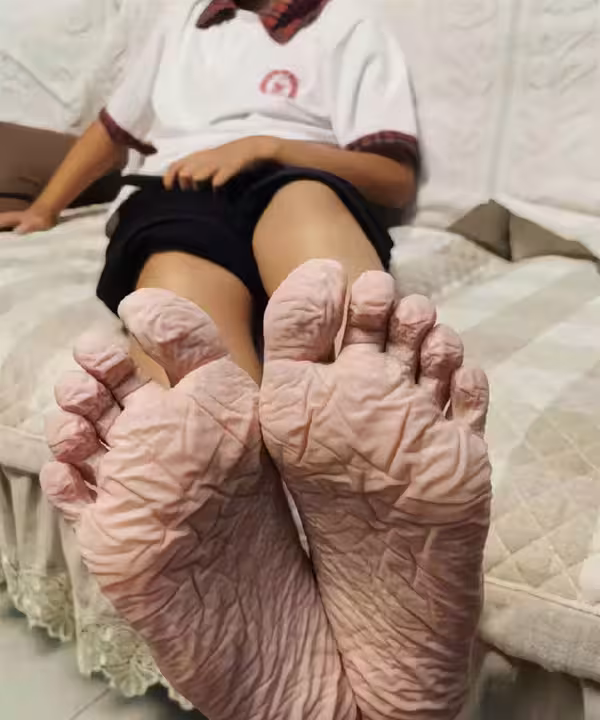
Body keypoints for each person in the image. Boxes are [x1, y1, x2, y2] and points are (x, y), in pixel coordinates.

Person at [4, 1, 493, 717]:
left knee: (320, 274)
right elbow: (111, 131)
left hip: (301, 176)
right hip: (175, 188)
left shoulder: (348, 26)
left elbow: (391, 179)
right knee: (180, 311)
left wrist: (270, 146)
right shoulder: (185, 23)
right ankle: (241, 510)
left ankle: (333, 476)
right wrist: (46, 208)